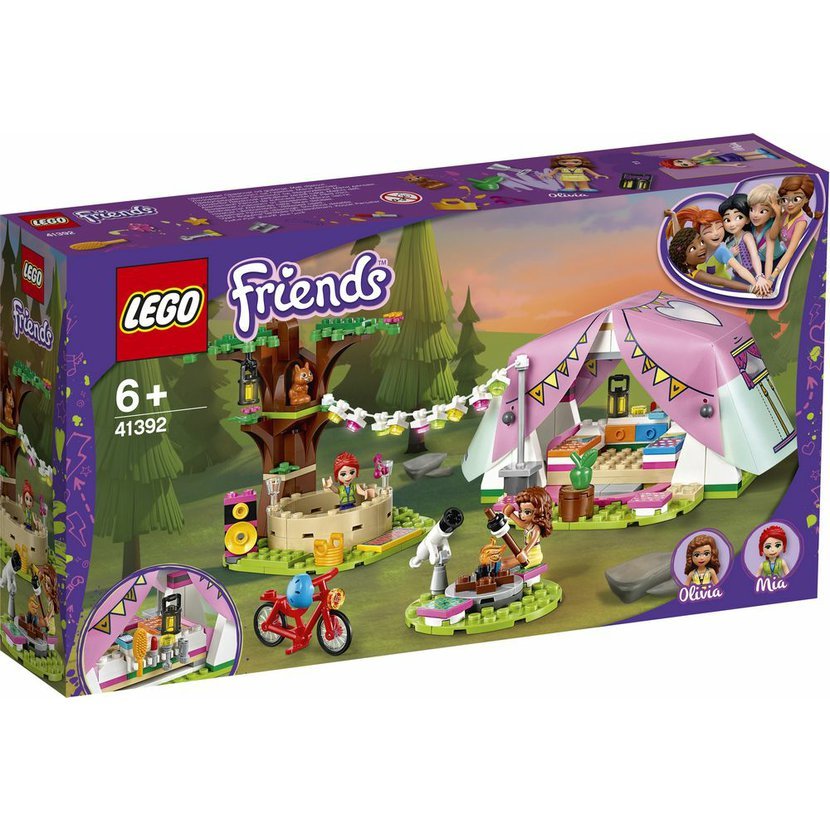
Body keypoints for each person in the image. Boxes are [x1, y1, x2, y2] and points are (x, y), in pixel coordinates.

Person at [664, 207, 770, 295]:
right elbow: (679, 240)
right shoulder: (697, 250)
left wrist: (756, 285)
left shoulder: (721, 250)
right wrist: (674, 217)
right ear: (699, 233)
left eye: (719, 227)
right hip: (708, 292)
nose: (716, 234)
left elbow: (740, 269)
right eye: (708, 231)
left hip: (724, 289)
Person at [769, 175, 824, 283]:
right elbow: (772, 236)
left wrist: (772, 277)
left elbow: (791, 251)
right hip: (786, 259)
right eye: (785, 199)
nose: (790, 204)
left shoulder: (801, 223)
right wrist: (778, 215)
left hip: (800, 262)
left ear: (806, 199)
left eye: (796, 199)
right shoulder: (785, 215)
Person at [503, 486, 553, 569]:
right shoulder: (528, 525)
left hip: (533, 556)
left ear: (538, 511)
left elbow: (532, 542)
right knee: (503, 560)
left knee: (505, 565)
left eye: (527, 512)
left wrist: (525, 552)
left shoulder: (536, 529)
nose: (522, 515)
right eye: (521, 511)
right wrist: (510, 514)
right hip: (527, 553)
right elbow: (519, 523)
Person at [719, 193, 763, 278]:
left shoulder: (746, 236)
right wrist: (730, 254)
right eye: (727, 220)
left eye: (738, 218)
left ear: (747, 219)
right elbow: (726, 266)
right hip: (737, 275)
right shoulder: (728, 240)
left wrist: (759, 275)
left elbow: (754, 256)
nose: (732, 224)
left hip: (751, 273)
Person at [747, 183, 785, 279]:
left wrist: (768, 280)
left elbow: (769, 258)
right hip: (760, 262)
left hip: (776, 260)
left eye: (762, 211)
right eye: (752, 209)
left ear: (772, 214)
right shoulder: (751, 226)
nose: (755, 215)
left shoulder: (769, 232)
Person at [0, 551, 22, 618]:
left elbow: (10, 579)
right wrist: (12, 589)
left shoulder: (8, 571)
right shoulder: (8, 572)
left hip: (8, 574)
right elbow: (10, 579)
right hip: (7, 575)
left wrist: (11, 589)